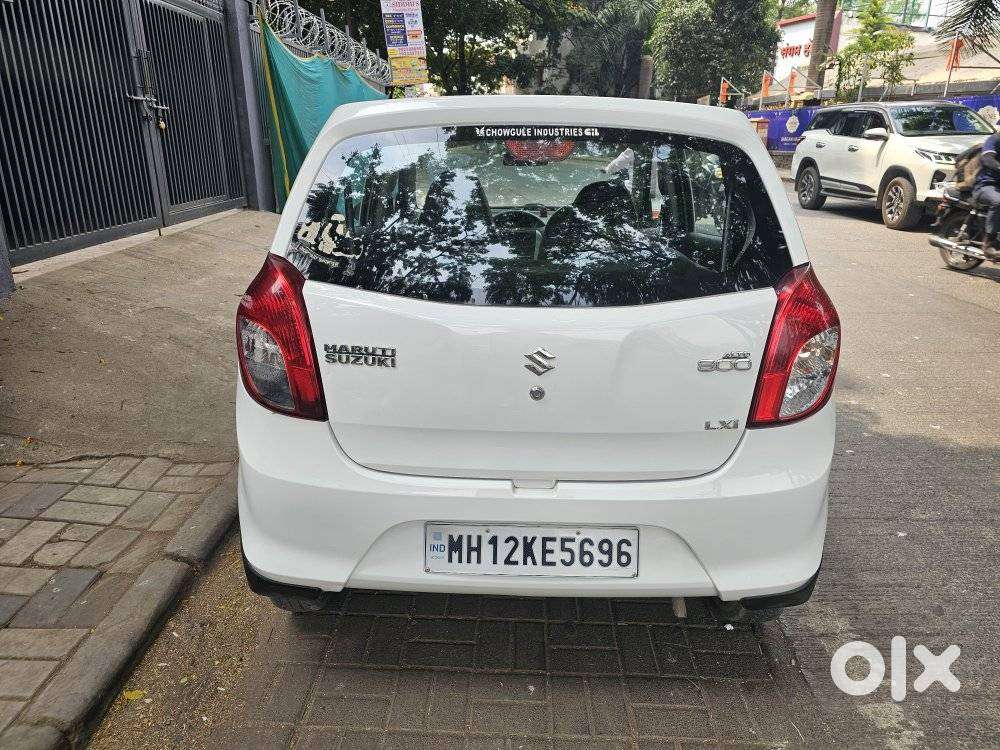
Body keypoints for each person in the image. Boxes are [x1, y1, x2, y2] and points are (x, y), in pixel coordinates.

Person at [972, 131, 1000, 259]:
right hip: (985, 186)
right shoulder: (994, 139)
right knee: (998, 201)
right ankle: (989, 241)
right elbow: (987, 158)